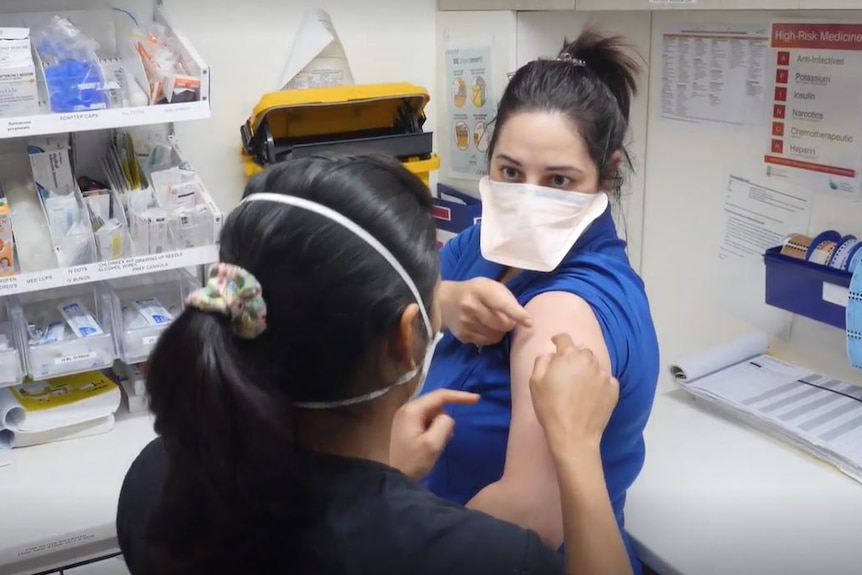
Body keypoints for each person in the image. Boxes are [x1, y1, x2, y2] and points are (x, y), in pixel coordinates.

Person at [116, 154, 633, 575]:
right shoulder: (480, 558)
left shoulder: (154, 476)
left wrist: (384, 478)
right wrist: (577, 447)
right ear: (405, 340)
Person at [421, 28, 660, 573]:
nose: (527, 198)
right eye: (511, 172)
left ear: (609, 172)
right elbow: (399, 305)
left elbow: (531, 513)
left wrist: (389, 534)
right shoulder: (485, 247)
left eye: (558, 180)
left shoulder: (562, 309)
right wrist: (445, 300)